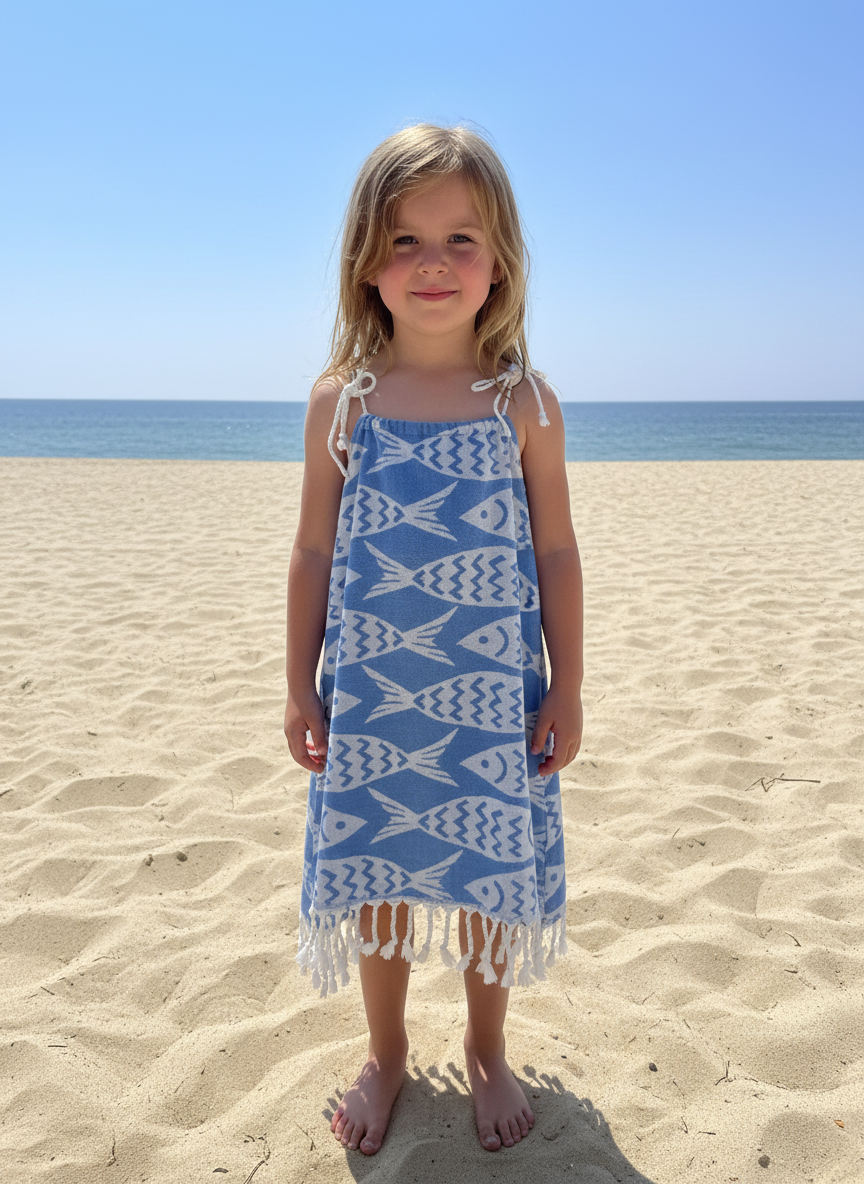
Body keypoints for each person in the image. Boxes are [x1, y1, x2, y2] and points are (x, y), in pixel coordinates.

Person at [284, 123, 583, 1157]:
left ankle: (489, 1046)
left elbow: (557, 554)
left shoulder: (524, 404)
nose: (434, 263)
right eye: (406, 240)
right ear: (367, 260)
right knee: (378, 876)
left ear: (499, 258)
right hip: (372, 695)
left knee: (490, 873)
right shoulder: (344, 400)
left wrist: (568, 685)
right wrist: (299, 685)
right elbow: (314, 552)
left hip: (496, 694)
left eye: (461, 238)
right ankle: (387, 1050)